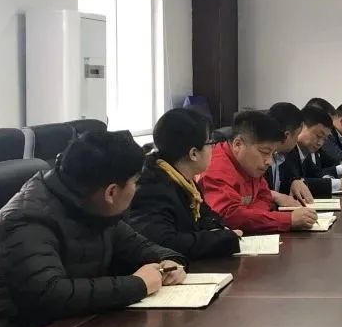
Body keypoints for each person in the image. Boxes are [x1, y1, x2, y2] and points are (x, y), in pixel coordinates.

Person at [0, 131, 187, 327]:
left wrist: (169, 262)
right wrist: (138, 284)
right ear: (111, 192)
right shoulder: (26, 219)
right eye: (135, 183)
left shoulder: (93, 206)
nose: (136, 190)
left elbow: (141, 247)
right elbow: (51, 294)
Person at [128, 108, 242, 259]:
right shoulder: (152, 187)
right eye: (210, 143)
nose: (213, 149)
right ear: (193, 153)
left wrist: (221, 230)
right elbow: (165, 243)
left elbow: (207, 217)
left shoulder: (183, 180)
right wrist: (223, 239)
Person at [199, 110, 320, 234]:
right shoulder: (215, 169)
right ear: (238, 144)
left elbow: (265, 197)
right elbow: (229, 217)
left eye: (273, 153)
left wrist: (250, 214)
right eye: (265, 152)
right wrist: (288, 220)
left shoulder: (249, 165)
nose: (270, 161)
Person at [278, 106, 342, 197]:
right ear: (301, 127)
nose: (320, 143)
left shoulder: (304, 152)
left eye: (324, 139)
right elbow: (291, 184)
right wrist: (338, 184)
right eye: (318, 136)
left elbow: (317, 174)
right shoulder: (288, 151)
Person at [265, 102, 313, 206]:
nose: (297, 141)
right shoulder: (259, 155)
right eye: (297, 135)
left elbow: (292, 176)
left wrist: (295, 181)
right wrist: (274, 196)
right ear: (286, 135)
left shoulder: (284, 153)